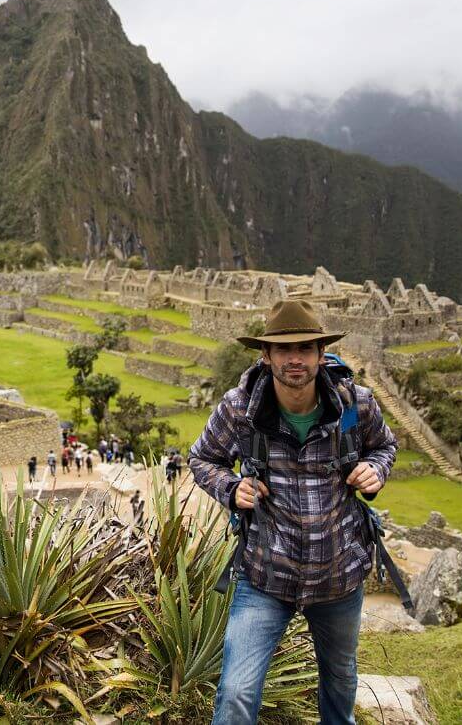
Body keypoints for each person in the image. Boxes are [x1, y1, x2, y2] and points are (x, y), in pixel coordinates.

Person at [188, 299, 397, 725]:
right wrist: (232, 488)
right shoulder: (239, 409)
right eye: (284, 350)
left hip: (337, 574)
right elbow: (202, 459)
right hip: (266, 574)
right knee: (236, 692)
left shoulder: (355, 405)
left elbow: (384, 446)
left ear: (322, 354)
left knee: (340, 683)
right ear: (266, 357)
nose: (295, 359)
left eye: (305, 349)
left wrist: (374, 470)